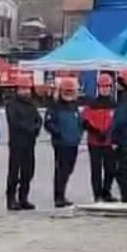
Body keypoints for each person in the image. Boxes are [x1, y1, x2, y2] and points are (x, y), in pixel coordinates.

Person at [43, 77, 84, 208]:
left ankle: (62, 194)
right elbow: (48, 123)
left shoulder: (74, 106)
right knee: (61, 170)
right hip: (61, 144)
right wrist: (58, 134)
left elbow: (79, 123)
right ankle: (58, 197)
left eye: (70, 92)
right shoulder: (55, 107)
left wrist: (79, 134)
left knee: (69, 169)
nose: (68, 94)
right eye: (66, 92)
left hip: (73, 143)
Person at [4, 75, 42, 210]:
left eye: (27, 89)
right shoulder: (11, 104)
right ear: (17, 89)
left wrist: (36, 129)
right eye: (23, 89)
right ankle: (11, 199)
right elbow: (14, 122)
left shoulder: (32, 104)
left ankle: (23, 198)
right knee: (14, 171)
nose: (26, 92)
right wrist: (30, 128)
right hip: (16, 143)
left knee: (28, 171)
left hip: (30, 143)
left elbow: (38, 119)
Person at [82, 73, 117, 203]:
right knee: (96, 170)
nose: (105, 89)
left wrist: (110, 135)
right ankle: (97, 195)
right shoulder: (92, 103)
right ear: (98, 87)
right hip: (94, 142)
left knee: (110, 169)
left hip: (109, 142)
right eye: (103, 86)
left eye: (107, 86)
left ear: (111, 87)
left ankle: (106, 192)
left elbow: (117, 123)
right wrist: (96, 132)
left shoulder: (114, 104)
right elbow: (84, 121)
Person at [108, 69, 127, 203]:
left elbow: (119, 121)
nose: (116, 85)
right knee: (122, 170)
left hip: (123, 142)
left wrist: (114, 139)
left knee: (121, 171)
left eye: (119, 82)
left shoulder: (123, 100)